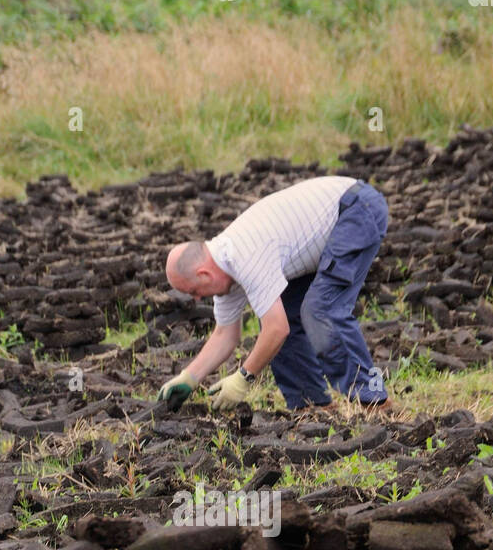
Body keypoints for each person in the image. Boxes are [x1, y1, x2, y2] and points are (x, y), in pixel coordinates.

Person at [158, 175, 390, 412]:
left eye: (194, 291)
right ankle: (311, 405)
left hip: (357, 209)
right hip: (322, 234)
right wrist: (189, 377)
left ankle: (373, 400)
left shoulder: (245, 256)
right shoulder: (224, 270)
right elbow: (224, 335)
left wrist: (243, 378)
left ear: (204, 274)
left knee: (320, 310)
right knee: (284, 312)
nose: (197, 299)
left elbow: (276, 330)